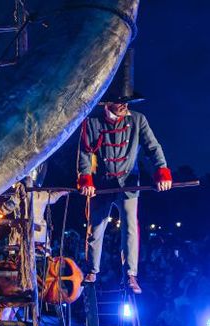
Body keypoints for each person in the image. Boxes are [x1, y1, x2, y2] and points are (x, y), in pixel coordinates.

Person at [77, 49, 172, 294]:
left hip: (129, 182)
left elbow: (153, 147)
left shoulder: (138, 120)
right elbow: (85, 153)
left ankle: (131, 274)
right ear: (108, 102)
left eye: (126, 102)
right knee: (95, 227)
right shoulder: (93, 122)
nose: (124, 106)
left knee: (130, 227)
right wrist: (86, 179)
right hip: (102, 183)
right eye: (120, 102)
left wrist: (161, 171)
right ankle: (92, 270)